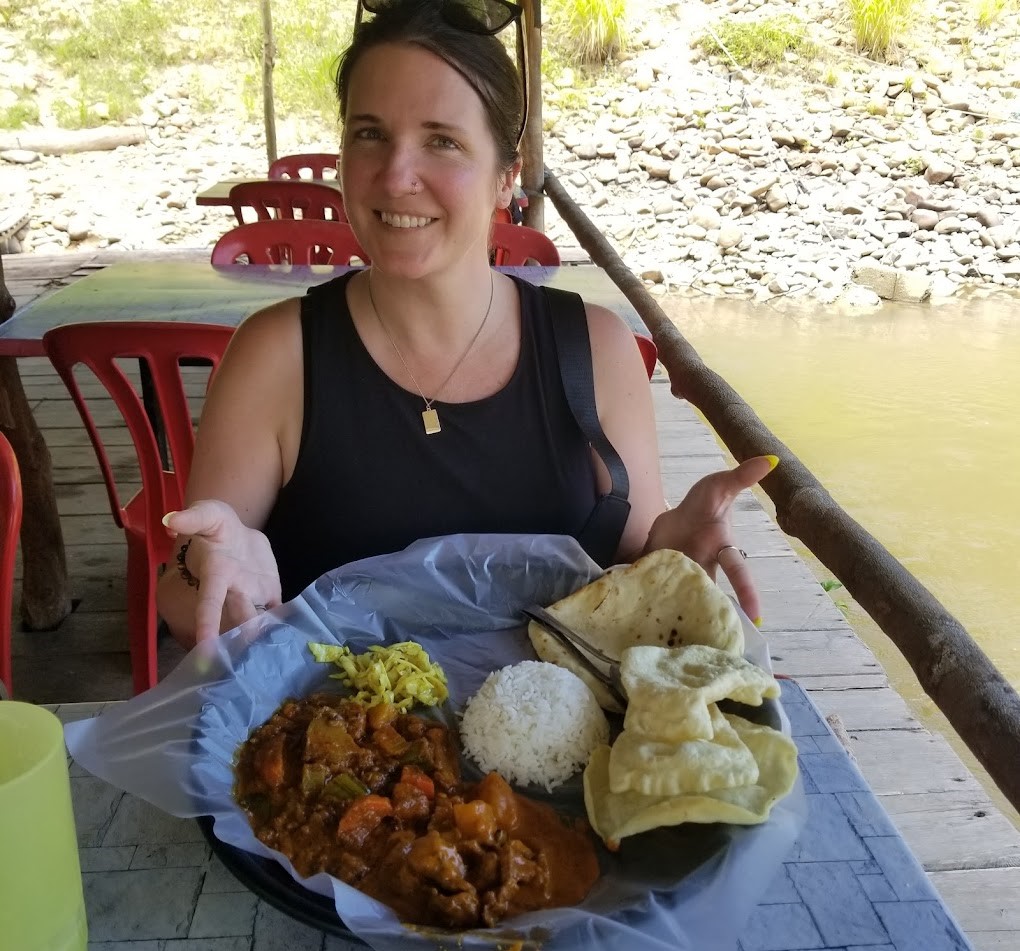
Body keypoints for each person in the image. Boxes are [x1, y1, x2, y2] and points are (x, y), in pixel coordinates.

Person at [157, 0, 775, 647]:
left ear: (506, 179)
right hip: (338, 736)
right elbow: (185, 585)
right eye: (369, 133)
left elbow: (634, 565)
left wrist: (670, 555)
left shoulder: (594, 349)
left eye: (442, 142)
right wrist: (209, 573)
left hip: (572, 742)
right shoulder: (277, 355)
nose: (396, 177)